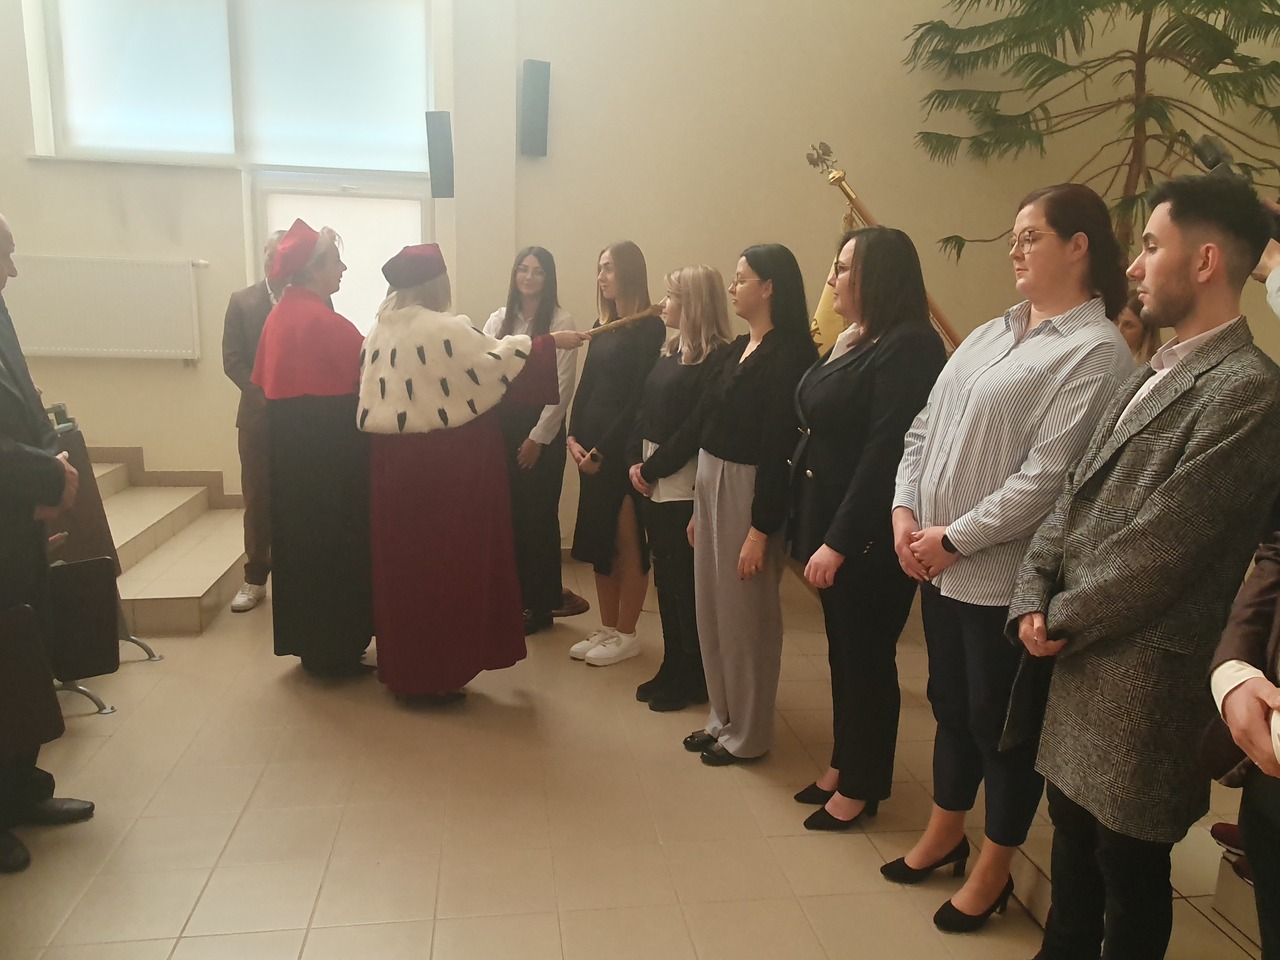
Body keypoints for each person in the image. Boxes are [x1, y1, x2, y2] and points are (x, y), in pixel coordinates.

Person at [1008, 175, 1280, 960]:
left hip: (1144, 688)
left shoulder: (1248, 390)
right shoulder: (1150, 370)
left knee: (1128, 880)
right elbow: (1070, 497)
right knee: (1070, 859)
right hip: (1079, 663)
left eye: (1152, 246)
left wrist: (1057, 615)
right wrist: (1032, 594)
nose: (1133, 267)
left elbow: (1163, 545)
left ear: (1204, 261)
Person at [885, 183, 1133, 933]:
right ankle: (944, 831)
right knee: (950, 705)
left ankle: (994, 867)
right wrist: (904, 513)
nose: (1016, 250)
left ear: (1079, 245)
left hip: (999, 577)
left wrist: (951, 538)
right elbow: (923, 427)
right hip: (935, 560)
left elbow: (1046, 479)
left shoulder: (1096, 351)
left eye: (1032, 236)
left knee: (999, 725)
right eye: (1015, 237)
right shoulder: (995, 331)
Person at [360, 245, 588, 702]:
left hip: (392, 471)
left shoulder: (378, 329)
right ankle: (437, 673)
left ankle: (405, 667)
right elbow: (493, 364)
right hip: (440, 473)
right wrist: (548, 344)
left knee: (404, 570)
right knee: (442, 568)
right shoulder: (442, 327)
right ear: (435, 283)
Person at [789, 227, 947, 829]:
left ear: (878, 275)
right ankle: (843, 762)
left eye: (844, 267)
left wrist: (839, 541)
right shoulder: (859, 338)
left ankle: (862, 784)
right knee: (844, 656)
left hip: (871, 535)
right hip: (836, 519)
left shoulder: (911, 346)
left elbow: (885, 453)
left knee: (867, 661)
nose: (832, 279)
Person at [681, 243, 818, 765]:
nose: (733, 287)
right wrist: (698, 507)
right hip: (711, 480)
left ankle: (749, 732)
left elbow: (776, 447)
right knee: (713, 611)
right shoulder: (739, 346)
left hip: (749, 488)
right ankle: (722, 717)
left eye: (741, 278)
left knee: (747, 619)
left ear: (769, 287)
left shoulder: (791, 354)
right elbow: (708, 423)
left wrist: (761, 529)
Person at [0, 213, 94, 873]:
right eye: (3, 254)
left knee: (21, 653)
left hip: (15, 516)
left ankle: (19, 787)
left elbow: (24, 404)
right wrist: (43, 473)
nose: (11, 269)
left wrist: (49, 461)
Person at [251, 218, 373, 678]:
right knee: (332, 549)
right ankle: (335, 646)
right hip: (329, 461)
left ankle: (312, 644)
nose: (343, 269)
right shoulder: (323, 321)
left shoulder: (281, 315)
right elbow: (369, 372)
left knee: (300, 548)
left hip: (293, 459)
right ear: (314, 268)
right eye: (336, 262)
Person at [627, 264, 733, 711]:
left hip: (682, 481)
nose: (662, 304)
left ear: (694, 304)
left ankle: (693, 674)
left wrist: (652, 468)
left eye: (671, 296)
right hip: (653, 476)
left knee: (685, 585)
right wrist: (636, 462)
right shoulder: (670, 349)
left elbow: (695, 428)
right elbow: (645, 407)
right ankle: (673, 665)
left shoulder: (717, 357)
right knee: (666, 581)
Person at [567, 241, 665, 666]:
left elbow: (637, 399)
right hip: (588, 451)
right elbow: (587, 384)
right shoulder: (602, 325)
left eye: (608, 267)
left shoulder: (649, 328)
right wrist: (572, 437)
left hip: (618, 452)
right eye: (600, 268)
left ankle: (627, 633)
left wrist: (601, 451)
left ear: (629, 271)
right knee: (599, 542)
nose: (601, 276)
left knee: (627, 544)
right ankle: (607, 628)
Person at [483, 247, 581, 636]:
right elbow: (485, 372)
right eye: (522, 270)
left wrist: (537, 438)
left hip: (541, 429)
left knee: (537, 518)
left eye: (537, 271)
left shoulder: (561, 321)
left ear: (548, 278)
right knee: (507, 517)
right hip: (502, 428)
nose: (528, 277)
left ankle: (540, 606)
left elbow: (563, 387)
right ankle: (510, 600)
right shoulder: (498, 319)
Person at [222, 230, 285, 612]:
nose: (273, 261)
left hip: (298, 419)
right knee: (258, 499)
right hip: (257, 419)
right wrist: (264, 395)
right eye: (269, 254)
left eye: (280, 255)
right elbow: (232, 360)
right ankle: (255, 577)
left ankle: (295, 573)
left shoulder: (311, 298)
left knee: (295, 496)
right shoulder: (242, 301)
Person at [1115, 290, 1162, 363]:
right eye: (1116, 322)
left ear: (1145, 331)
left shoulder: (1156, 365)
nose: (1119, 330)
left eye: (1128, 326)